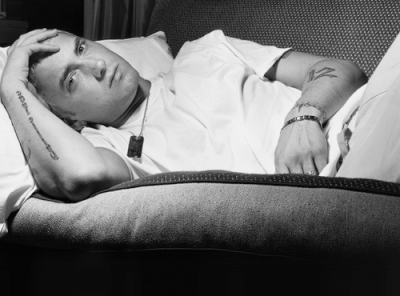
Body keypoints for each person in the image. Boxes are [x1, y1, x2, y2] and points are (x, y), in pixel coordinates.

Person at [0, 28, 367, 202]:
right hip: (347, 185)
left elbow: (343, 71)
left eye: (81, 48)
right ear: (68, 117)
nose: (96, 65)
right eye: (71, 79)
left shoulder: (206, 49)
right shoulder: (106, 146)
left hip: (361, 121)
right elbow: (79, 176)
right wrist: (12, 87)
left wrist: (304, 116)